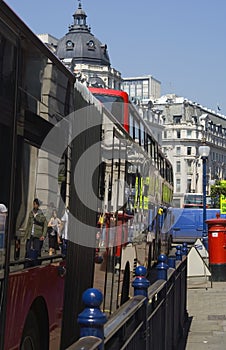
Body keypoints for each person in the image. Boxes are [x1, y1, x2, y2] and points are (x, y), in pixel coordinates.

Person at [24, 198, 47, 266]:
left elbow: (45, 225)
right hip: (30, 234)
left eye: (35, 204)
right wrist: (26, 235)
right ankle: (27, 264)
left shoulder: (41, 214)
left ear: (38, 205)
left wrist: (43, 235)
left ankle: (36, 264)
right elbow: (28, 224)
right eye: (33, 204)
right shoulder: (31, 213)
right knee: (27, 249)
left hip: (38, 235)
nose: (34, 205)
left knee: (36, 250)